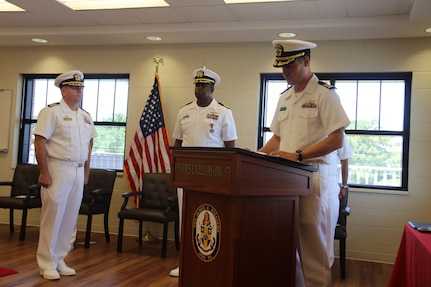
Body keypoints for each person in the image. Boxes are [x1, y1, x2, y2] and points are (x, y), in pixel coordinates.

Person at [257, 40, 350, 286]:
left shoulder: (324, 93)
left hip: (314, 178)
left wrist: (298, 155)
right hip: (284, 181)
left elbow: (337, 139)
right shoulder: (285, 97)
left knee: (314, 251)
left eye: (289, 66)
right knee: (288, 248)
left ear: (306, 61)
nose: (284, 72)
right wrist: (257, 155)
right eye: (281, 67)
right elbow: (277, 138)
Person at [169, 67, 238, 277]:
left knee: (213, 219)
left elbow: (230, 147)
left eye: (204, 85)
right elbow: (177, 144)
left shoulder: (223, 112)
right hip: (187, 174)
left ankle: (214, 263)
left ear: (212, 88)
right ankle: (185, 262)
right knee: (186, 218)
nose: (199, 89)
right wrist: (174, 171)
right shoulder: (185, 111)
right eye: (197, 85)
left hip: (213, 176)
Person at [34, 70, 98, 280]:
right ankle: (46, 262)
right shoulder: (51, 112)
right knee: (53, 217)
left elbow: (89, 144)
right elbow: (40, 141)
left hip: (78, 171)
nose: (79, 91)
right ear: (63, 90)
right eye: (74, 87)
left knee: (69, 218)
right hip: (57, 169)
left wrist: (86, 172)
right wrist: (44, 171)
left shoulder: (85, 116)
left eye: (81, 88)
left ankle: (59, 257)